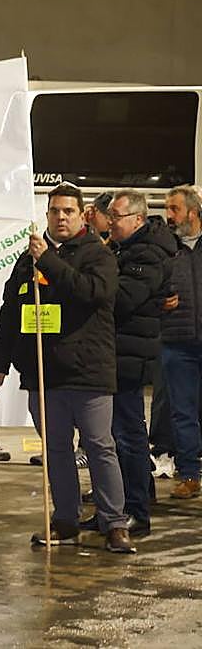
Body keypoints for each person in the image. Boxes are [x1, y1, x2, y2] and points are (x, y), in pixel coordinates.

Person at [0, 183, 134, 553]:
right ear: (47, 214)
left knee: (101, 447)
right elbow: (11, 312)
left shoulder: (97, 255)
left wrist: (48, 261)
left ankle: (113, 522)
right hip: (44, 373)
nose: (61, 217)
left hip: (88, 372)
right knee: (56, 451)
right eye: (55, 211)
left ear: (81, 214)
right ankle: (65, 520)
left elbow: (91, 293)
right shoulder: (27, 260)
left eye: (68, 211)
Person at [84, 188, 173, 536]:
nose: (111, 222)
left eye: (117, 217)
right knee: (106, 437)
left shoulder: (147, 253)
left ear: (137, 219)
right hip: (112, 353)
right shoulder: (123, 249)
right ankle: (112, 509)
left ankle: (135, 509)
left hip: (127, 357)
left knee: (127, 436)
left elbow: (121, 299)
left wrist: (91, 286)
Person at [160, 184, 202, 500]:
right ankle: (189, 474)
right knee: (183, 412)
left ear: (192, 211)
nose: (168, 215)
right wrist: (159, 302)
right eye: (167, 209)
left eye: (174, 208)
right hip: (176, 341)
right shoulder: (163, 247)